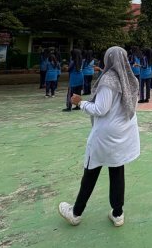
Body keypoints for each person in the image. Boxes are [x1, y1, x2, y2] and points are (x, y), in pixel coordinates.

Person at [58, 46, 140, 227]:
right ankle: (117, 213)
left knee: (91, 170)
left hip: (106, 135)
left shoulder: (109, 80)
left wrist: (80, 103)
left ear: (108, 59)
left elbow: (100, 109)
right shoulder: (130, 79)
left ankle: (76, 212)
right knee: (117, 171)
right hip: (123, 132)